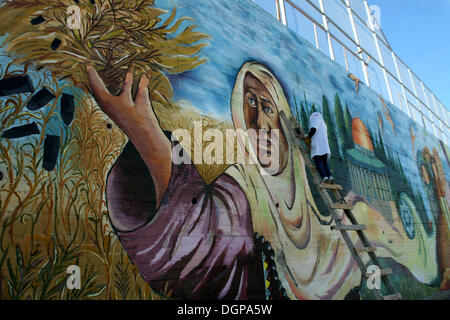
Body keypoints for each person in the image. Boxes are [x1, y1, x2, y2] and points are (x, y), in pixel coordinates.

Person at [86, 61, 364, 300]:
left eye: (267, 107)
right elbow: (201, 231)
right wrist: (146, 135)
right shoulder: (241, 186)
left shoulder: (329, 223)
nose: (257, 123)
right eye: (250, 104)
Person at [303, 112, 334, 184]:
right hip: (325, 146)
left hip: (318, 145)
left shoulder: (315, 119)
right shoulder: (323, 123)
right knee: (325, 162)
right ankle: (330, 176)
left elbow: (313, 129)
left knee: (318, 161)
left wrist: (308, 136)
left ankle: (324, 177)